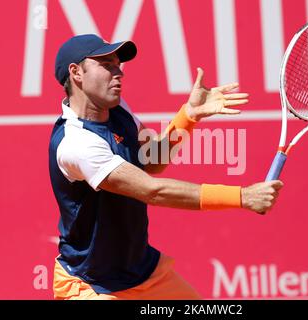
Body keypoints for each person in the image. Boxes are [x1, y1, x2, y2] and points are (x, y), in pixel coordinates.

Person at [49, 34, 284, 300]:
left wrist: (188, 116)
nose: (119, 73)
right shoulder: (76, 143)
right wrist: (243, 196)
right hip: (91, 286)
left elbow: (152, 160)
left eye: (118, 64)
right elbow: (152, 190)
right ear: (76, 72)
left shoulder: (119, 111)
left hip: (144, 273)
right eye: (107, 64)